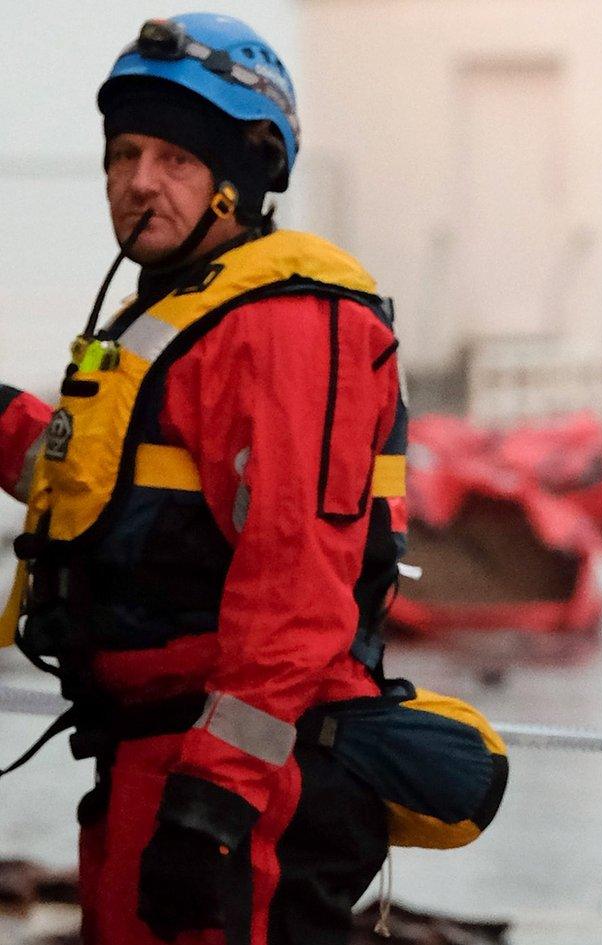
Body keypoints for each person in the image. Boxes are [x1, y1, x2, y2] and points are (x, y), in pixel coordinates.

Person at [0, 14, 406, 944]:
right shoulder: (181, 314)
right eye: (125, 152)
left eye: (177, 159)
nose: (139, 182)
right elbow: (101, 487)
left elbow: (298, 585)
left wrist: (217, 799)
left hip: (242, 784)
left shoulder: (287, 323)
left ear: (240, 181)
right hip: (149, 758)